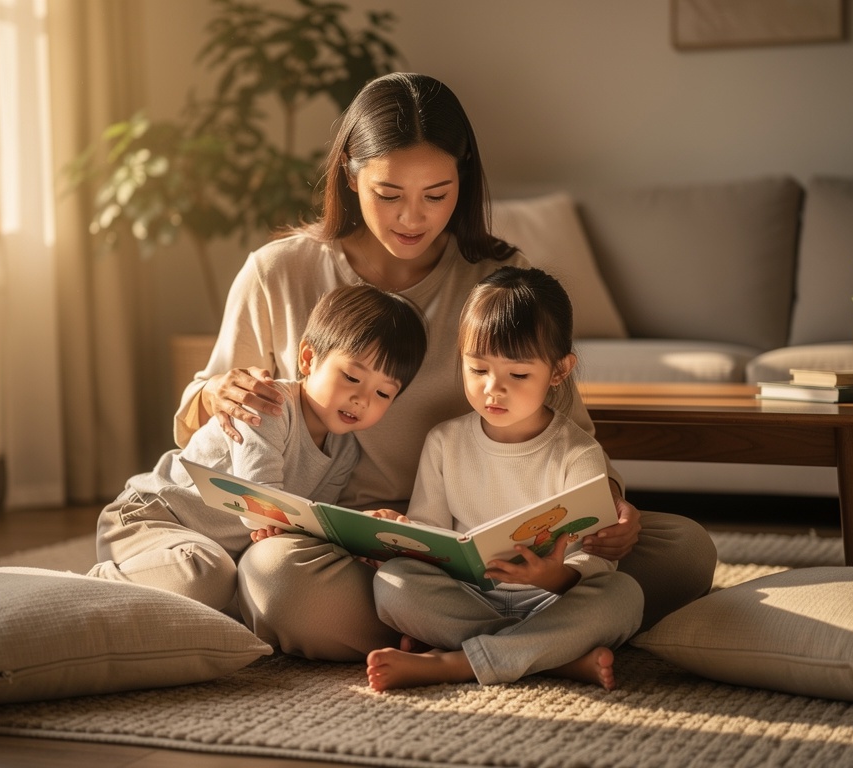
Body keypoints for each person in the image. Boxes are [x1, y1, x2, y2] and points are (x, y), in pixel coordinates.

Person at [174, 72, 715, 660]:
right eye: (389, 194)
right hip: (355, 546)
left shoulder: (494, 277)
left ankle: (469, 639)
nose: (413, 218)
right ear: (351, 175)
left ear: (465, 180)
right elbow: (205, 427)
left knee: (684, 551)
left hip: (500, 539)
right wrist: (216, 394)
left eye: (437, 194)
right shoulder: (277, 272)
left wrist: (613, 512)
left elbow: (567, 432)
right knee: (279, 579)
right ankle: (552, 641)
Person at [366, 266, 643, 692]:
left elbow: (599, 560)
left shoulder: (578, 453)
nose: (493, 389)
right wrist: (403, 535)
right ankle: (551, 658)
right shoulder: (444, 442)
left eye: (517, 375)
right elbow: (434, 536)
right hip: (468, 596)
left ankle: (453, 664)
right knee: (392, 585)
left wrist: (549, 577)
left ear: (559, 371)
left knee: (624, 597)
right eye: (477, 370)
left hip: (552, 600)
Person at [88, 284, 427, 614]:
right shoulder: (267, 403)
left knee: (233, 580)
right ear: (308, 359)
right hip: (149, 519)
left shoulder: (345, 452)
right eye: (352, 377)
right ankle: (98, 584)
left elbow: (310, 525)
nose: (362, 399)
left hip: (209, 549)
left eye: (383, 394)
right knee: (209, 574)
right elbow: (258, 506)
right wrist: (322, 530)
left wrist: (362, 532)